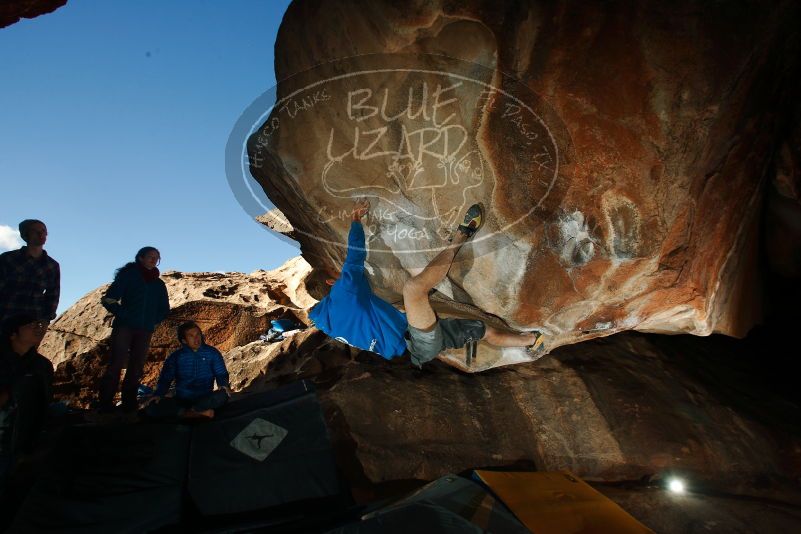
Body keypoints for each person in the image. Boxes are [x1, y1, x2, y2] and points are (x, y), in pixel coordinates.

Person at [309, 200, 544, 368]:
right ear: (331, 281)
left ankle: (534, 341)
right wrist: (356, 219)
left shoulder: (327, 323)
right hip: (415, 341)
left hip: (414, 347)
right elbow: (355, 255)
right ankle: (461, 237)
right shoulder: (343, 292)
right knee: (413, 290)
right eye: (336, 274)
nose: (340, 274)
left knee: (484, 330)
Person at [97, 247, 170, 412]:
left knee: (137, 366)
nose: (154, 260)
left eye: (156, 258)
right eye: (150, 256)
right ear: (141, 258)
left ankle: (129, 405)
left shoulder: (158, 284)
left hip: (145, 330)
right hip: (124, 327)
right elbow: (109, 299)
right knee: (115, 364)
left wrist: (153, 320)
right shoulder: (128, 276)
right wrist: (124, 315)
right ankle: (104, 404)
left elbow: (164, 308)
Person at [0, 314, 54, 484]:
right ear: (12, 334)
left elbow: (43, 403)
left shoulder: (42, 366)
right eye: (30, 325)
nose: (38, 328)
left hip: (22, 441)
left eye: (38, 324)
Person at [145, 321, 230, 419]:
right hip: (182, 399)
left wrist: (223, 384)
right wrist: (158, 394)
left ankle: (188, 413)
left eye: (198, 334)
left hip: (205, 398)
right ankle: (196, 413)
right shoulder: (176, 357)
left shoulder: (212, 353)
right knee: (152, 407)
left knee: (223, 395)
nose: (196, 338)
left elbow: (221, 373)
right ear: (184, 340)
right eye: (191, 336)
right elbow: (165, 379)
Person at [0, 219, 60, 325]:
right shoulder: (8, 259)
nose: (41, 234)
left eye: (43, 231)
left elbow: (53, 295)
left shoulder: (52, 266)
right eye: (35, 231)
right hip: (5, 317)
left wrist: (46, 319)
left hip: (32, 322)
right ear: (25, 235)